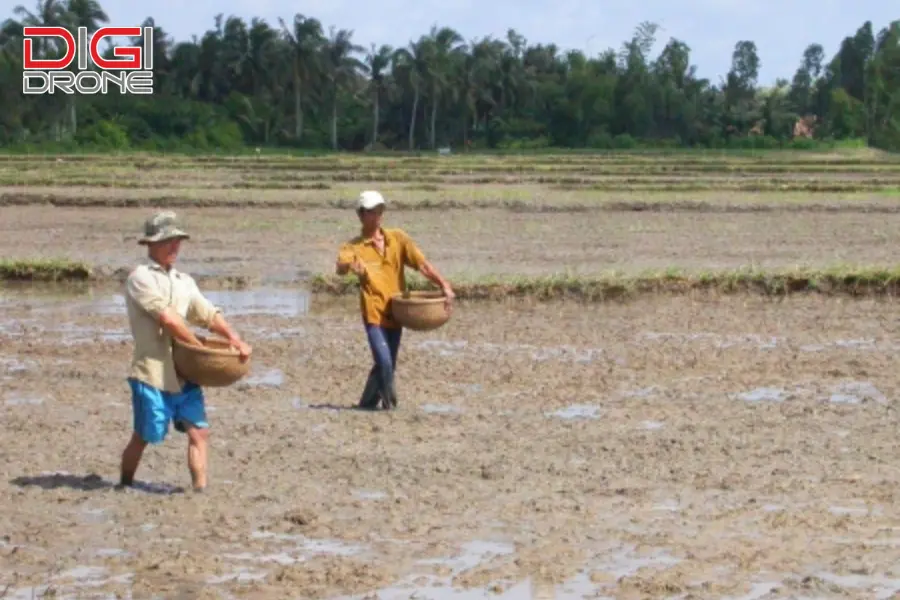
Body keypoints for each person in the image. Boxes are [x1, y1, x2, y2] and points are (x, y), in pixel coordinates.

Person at [119, 210, 251, 492]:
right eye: (168, 241)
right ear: (151, 244)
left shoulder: (184, 281)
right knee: (145, 435)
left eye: (177, 240)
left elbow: (206, 313)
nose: (175, 246)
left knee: (199, 432)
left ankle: (199, 491)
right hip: (152, 373)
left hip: (185, 373)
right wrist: (196, 343)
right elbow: (167, 318)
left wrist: (233, 337)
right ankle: (125, 484)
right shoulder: (140, 278)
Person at [335, 190, 455, 410]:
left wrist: (444, 285)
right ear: (361, 215)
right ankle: (392, 406)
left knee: (385, 364)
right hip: (374, 312)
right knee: (385, 361)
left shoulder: (397, 239)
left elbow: (423, 265)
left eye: (380, 210)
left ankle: (366, 405)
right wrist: (351, 267)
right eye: (372, 211)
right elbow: (341, 267)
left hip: (397, 312)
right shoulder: (353, 247)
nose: (377, 215)